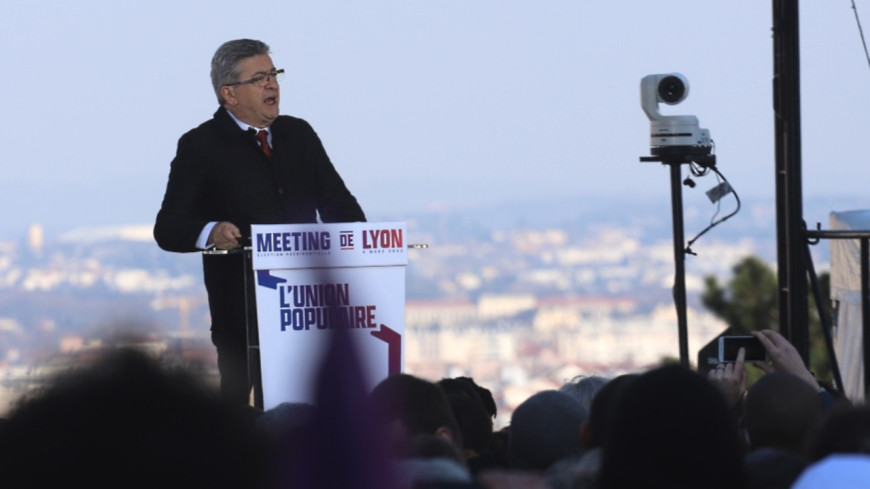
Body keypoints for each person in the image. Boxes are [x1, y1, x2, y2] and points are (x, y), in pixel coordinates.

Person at [154, 39, 366, 404]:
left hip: (309, 305)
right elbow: (169, 227)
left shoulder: (298, 134)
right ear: (229, 93)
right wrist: (211, 232)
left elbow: (338, 204)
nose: (272, 84)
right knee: (241, 417)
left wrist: (362, 245)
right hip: (244, 316)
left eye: (274, 74)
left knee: (316, 410)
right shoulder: (201, 145)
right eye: (259, 78)